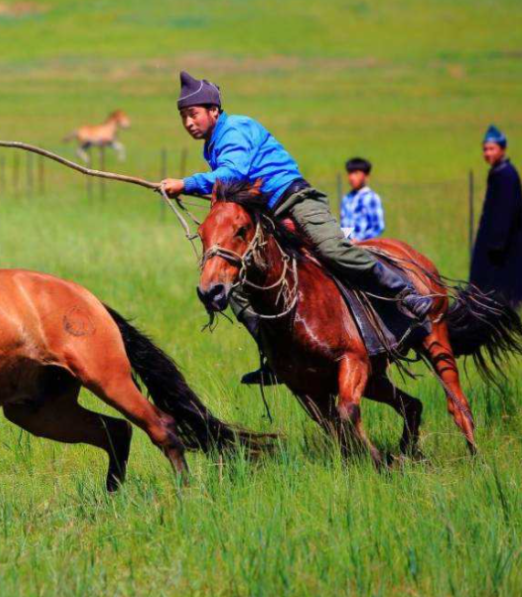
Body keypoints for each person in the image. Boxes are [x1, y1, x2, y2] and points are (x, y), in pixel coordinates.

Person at [160, 72, 433, 385]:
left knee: (332, 249)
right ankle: (272, 356)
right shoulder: (210, 147)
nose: (188, 123)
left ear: (214, 111)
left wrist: (185, 184)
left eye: (192, 114)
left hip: (293, 198)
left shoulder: (233, 130)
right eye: (183, 117)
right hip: (267, 214)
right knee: (236, 285)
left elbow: (232, 175)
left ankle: (404, 293)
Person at [470, 125, 522, 306]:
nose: (487, 153)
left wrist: (496, 244)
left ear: (502, 149)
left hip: (501, 245)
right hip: (493, 240)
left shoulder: (507, 175)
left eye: (491, 149)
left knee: (498, 287)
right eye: (485, 149)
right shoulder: (498, 172)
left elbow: (506, 212)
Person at [340, 158, 385, 242]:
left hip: (364, 243)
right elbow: (344, 225)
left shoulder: (371, 198)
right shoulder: (346, 198)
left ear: (367, 176)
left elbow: (378, 227)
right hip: (347, 243)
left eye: (356, 173)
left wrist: (359, 239)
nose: (352, 177)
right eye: (350, 173)